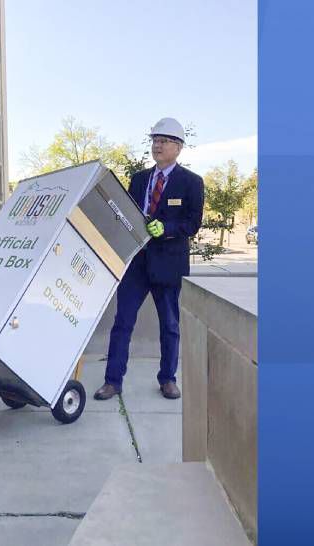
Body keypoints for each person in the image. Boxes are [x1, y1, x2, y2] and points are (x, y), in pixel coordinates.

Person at [94, 117, 205, 401]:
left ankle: (168, 379)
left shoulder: (192, 183)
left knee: (169, 325)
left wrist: (166, 229)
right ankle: (113, 380)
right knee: (122, 322)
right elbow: (127, 216)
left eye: (164, 140)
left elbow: (192, 223)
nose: (157, 145)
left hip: (168, 265)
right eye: (155, 140)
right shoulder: (140, 179)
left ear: (178, 148)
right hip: (137, 264)